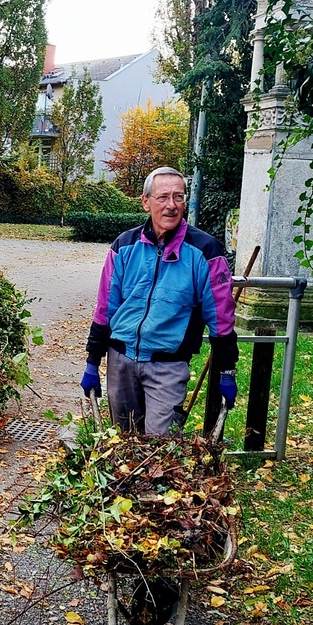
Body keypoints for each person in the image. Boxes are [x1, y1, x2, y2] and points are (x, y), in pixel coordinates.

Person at [81, 166, 238, 434]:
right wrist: (92, 361)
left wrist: (227, 371)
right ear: (146, 202)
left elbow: (221, 317)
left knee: (160, 444)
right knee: (122, 442)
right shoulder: (124, 246)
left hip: (168, 366)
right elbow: (105, 308)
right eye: (163, 197)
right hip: (120, 360)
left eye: (178, 197)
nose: (171, 205)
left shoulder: (204, 251)